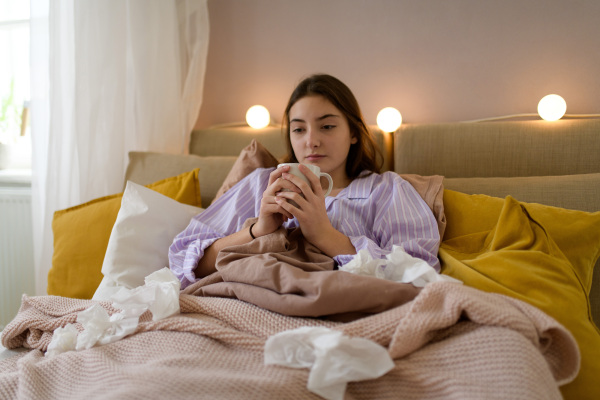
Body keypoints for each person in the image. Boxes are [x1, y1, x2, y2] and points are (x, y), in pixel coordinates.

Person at [169, 74, 440, 289]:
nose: (311, 140)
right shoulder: (260, 185)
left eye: (327, 126)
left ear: (354, 133)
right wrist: (258, 230)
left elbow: (419, 275)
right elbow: (183, 263)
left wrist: (325, 235)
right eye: (299, 129)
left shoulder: (387, 191)